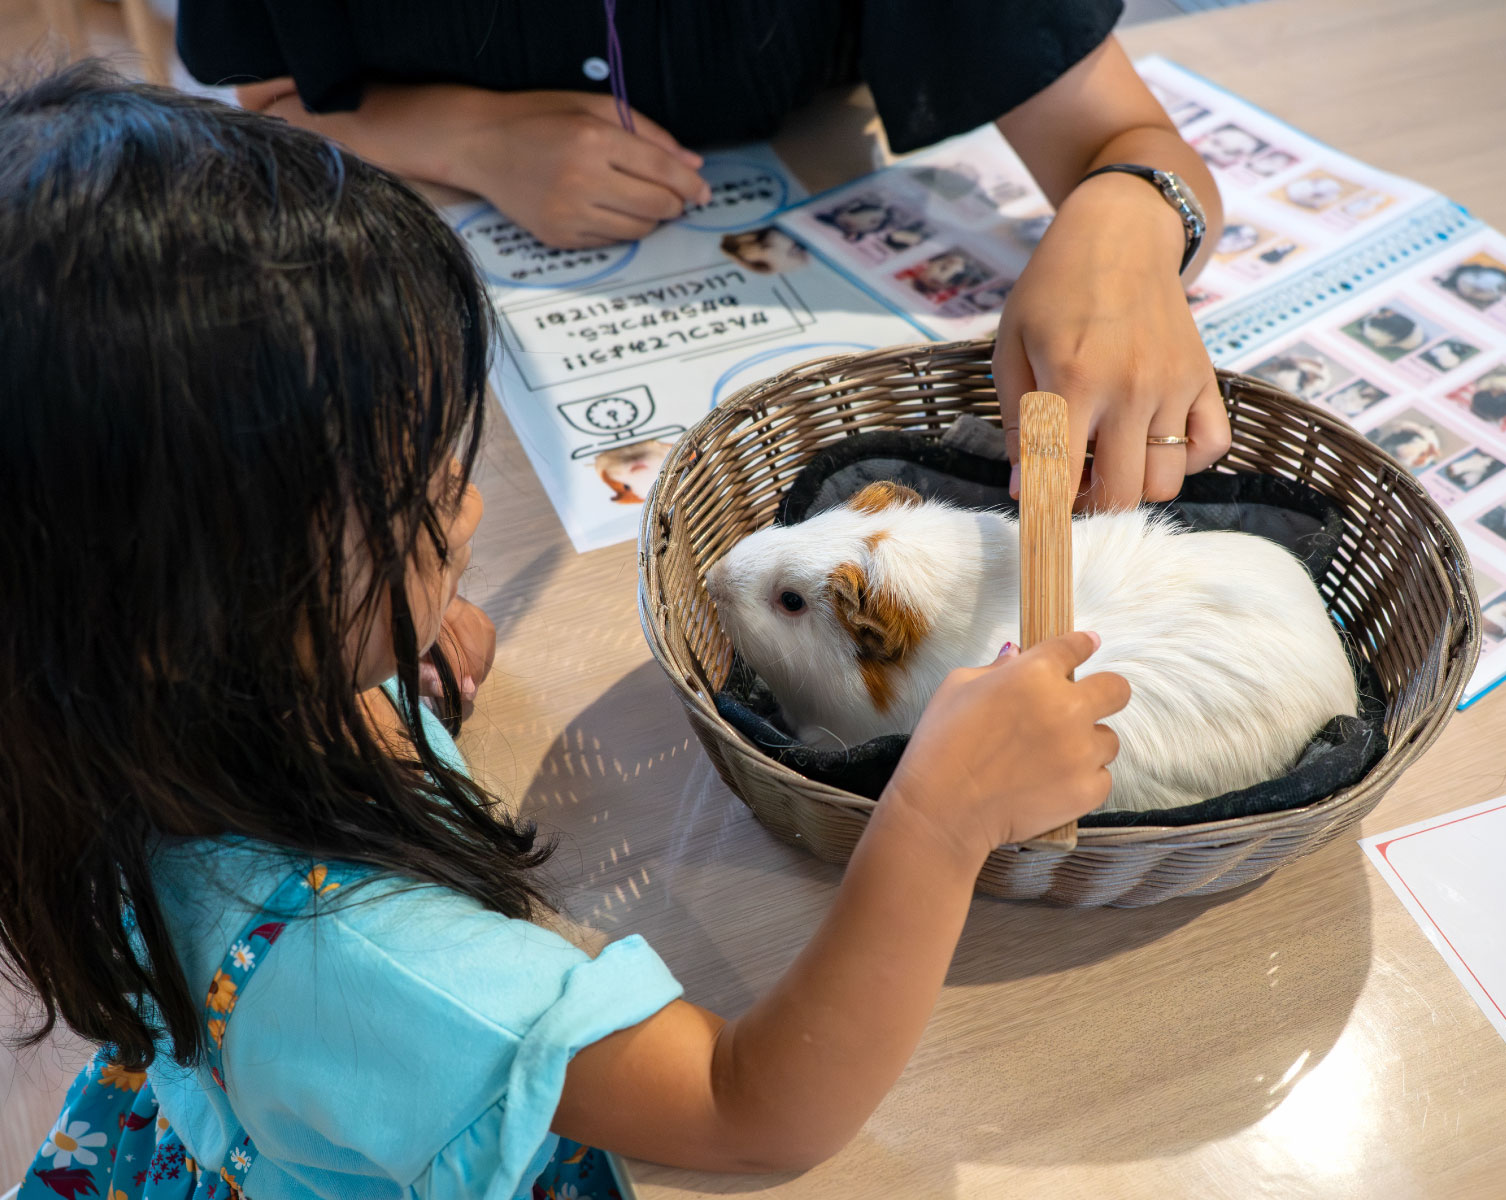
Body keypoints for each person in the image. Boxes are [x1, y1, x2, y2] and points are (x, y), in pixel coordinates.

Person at [2, 68, 1130, 1197]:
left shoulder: (96, 709)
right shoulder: (377, 965)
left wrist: (378, 648)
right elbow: (752, 1111)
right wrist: (937, 817)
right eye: (409, 502)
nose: (471, 505)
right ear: (201, 616)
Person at [176, 0, 1229, 510]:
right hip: (486, 400)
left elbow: (1127, 143)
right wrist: (471, 140)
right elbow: (266, 108)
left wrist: (1122, 230)